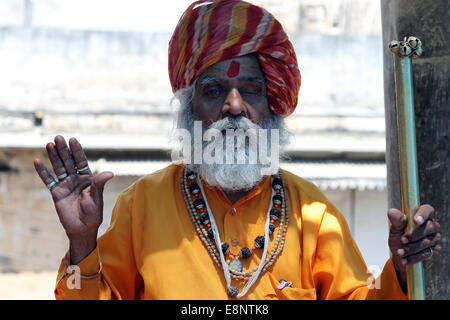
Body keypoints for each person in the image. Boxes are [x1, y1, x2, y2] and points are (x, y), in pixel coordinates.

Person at [34, 0, 441, 300]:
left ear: (272, 108)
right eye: (213, 91)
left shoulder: (313, 215)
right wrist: (83, 241)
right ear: (190, 110)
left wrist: (402, 274)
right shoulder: (141, 205)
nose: (233, 106)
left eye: (250, 90)